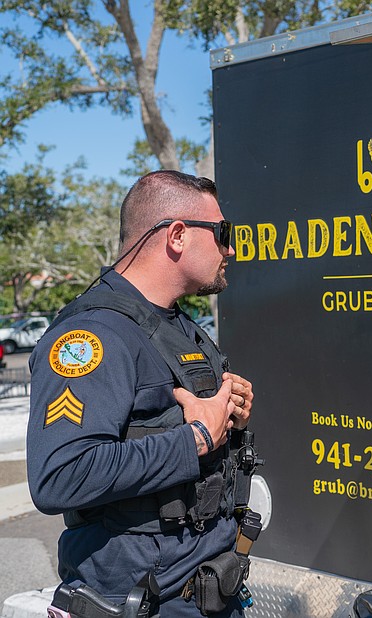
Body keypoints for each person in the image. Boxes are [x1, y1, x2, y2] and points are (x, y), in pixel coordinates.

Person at [26, 170, 256, 618]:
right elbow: (60, 476)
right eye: (222, 233)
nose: (229, 249)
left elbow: (175, 424)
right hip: (142, 600)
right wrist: (196, 439)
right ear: (176, 236)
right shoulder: (89, 337)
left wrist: (229, 417)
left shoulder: (177, 326)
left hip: (208, 583)